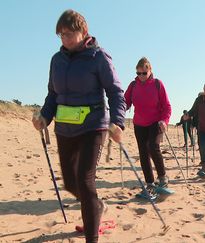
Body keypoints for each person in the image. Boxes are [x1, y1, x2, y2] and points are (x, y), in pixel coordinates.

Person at [31, 9, 126, 243]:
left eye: (69, 33)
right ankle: (96, 206)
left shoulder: (99, 57)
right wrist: (44, 117)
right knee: (71, 183)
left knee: (85, 180)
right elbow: (53, 95)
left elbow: (115, 93)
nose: (64, 38)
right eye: (61, 34)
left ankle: (92, 236)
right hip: (64, 129)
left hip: (92, 127)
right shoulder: (57, 60)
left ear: (83, 32)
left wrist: (117, 122)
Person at [124, 57, 172, 198]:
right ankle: (150, 184)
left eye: (144, 73)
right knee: (143, 153)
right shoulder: (133, 86)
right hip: (139, 124)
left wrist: (164, 120)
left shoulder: (158, 84)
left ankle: (162, 178)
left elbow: (167, 106)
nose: (141, 76)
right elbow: (125, 102)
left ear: (150, 71)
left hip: (155, 122)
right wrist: (118, 111)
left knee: (153, 146)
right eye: (139, 73)